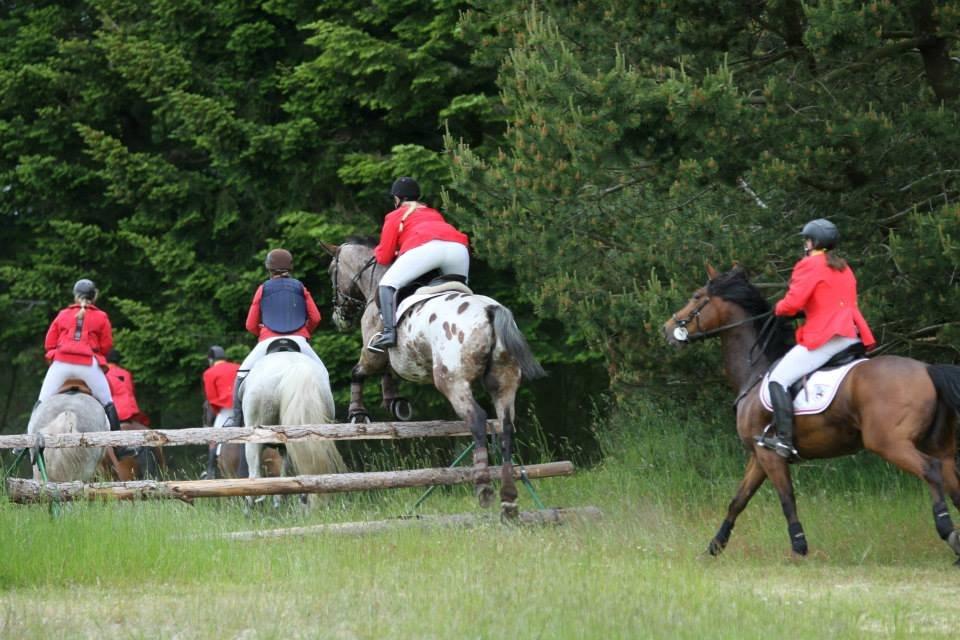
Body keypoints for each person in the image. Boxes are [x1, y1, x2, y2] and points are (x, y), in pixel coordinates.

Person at [758, 219, 876, 460]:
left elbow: (792, 303)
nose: (806, 244)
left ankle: (784, 440)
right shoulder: (844, 267)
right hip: (851, 335)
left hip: (827, 336)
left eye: (807, 240)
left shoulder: (810, 264)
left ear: (813, 242)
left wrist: (779, 308)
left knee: (778, 378)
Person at [368, 177, 470, 351]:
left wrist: (378, 251)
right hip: (458, 249)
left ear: (397, 198)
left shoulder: (395, 215)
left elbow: (384, 257)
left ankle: (388, 333)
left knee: (386, 284)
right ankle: (468, 328)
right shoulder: (433, 213)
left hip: (428, 249)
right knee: (460, 293)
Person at [231, 248, 323, 427]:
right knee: (322, 374)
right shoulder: (300, 287)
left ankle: (235, 421)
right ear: (291, 267)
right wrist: (304, 332)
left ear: (268, 268)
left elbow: (250, 324)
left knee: (241, 375)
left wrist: (264, 334)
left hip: (268, 341)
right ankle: (329, 417)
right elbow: (316, 318)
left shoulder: (262, 289)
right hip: (299, 341)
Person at [34, 279, 121, 432]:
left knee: (41, 401)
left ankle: (24, 445)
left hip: (61, 364)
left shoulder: (63, 314)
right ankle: (120, 445)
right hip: (88, 365)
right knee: (108, 402)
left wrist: (57, 355)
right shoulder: (101, 316)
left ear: (75, 296)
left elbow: (49, 343)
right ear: (94, 296)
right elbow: (106, 345)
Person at [202, 345, 240, 479]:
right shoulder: (237, 366)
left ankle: (211, 471)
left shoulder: (209, 372)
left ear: (211, 360)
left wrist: (217, 412)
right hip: (244, 406)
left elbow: (212, 399)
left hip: (227, 409)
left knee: (214, 437)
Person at [105, 349, 144, 427]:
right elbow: (131, 391)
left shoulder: (104, 373)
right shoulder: (126, 374)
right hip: (129, 412)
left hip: (114, 413)